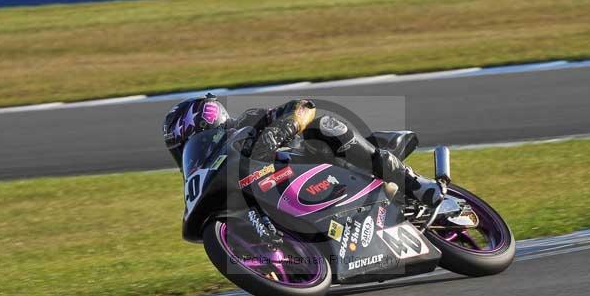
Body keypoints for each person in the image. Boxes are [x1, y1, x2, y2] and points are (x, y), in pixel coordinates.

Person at [162, 95, 444, 206]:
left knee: (323, 126)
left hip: (319, 162)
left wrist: (276, 132)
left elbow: (303, 106)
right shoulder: (218, 172)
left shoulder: (247, 122)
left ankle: (413, 182)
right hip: (294, 192)